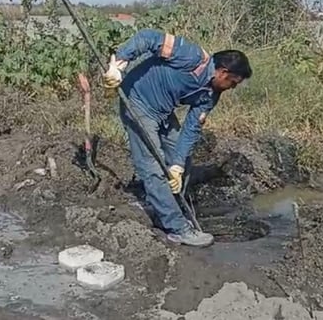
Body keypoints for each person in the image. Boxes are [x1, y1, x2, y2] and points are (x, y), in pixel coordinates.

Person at [102, 28, 252, 247]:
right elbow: (148, 38)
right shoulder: (192, 57)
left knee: (181, 161)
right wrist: (119, 65)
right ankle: (177, 228)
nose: (232, 88)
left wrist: (178, 166)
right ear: (222, 71)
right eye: (233, 82)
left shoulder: (211, 95)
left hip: (163, 113)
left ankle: (166, 204)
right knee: (152, 167)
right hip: (137, 102)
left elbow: (191, 129)